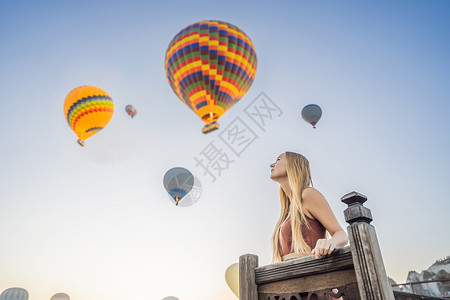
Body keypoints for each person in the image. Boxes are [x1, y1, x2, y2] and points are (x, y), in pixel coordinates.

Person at [270, 152, 348, 299]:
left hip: (313, 287)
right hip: (292, 288)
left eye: (278, 160)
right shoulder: (287, 211)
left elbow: (341, 234)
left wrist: (329, 243)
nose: (272, 164)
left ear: (293, 166)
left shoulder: (307, 194)